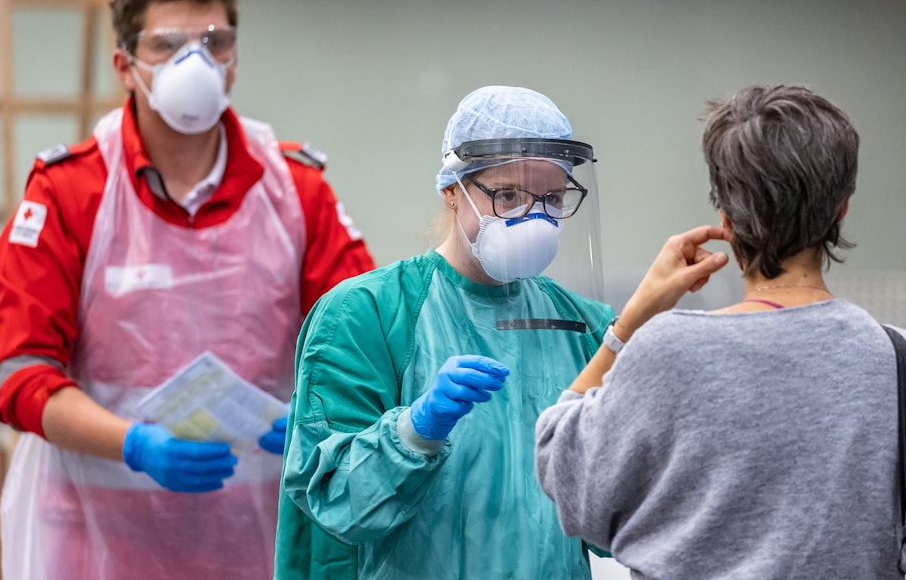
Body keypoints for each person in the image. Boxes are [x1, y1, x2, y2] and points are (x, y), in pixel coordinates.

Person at [0, 0, 375, 580]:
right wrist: (133, 445)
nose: (195, 62)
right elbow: (18, 373)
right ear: (124, 65)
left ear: (235, 61)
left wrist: (315, 412)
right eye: (167, 45)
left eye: (214, 41)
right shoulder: (68, 192)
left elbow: (362, 341)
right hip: (94, 537)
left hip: (257, 534)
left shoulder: (296, 192)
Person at [535, 84, 906, 579]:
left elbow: (563, 469)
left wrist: (632, 320)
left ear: (726, 218)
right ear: (841, 208)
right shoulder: (902, 359)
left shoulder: (667, 349)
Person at [275, 85, 649, 578]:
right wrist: (415, 431)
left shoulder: (585, 328)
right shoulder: (366, 315)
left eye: (552, 198)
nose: (534, 218)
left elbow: (619, 521)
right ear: (452, 191)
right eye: (508, 194)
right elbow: (335, 504)